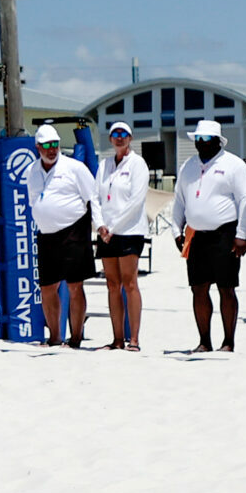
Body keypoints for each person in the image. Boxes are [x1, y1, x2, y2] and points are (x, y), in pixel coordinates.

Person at [173, 118, 246, 352]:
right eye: (197, 138)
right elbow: (179, 199)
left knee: (226, 288)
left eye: (206, 139)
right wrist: (176, 230)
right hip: (196, 234)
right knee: (198, 288)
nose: (201, 143)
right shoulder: (188, 165)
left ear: (218, 141)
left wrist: (242, 234)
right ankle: (204, 341)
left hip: (225, 233)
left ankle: (228, 341)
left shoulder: (234, 165)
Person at [27, 124, 102, 347]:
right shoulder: (32, 170)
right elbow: (33, 200)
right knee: (47, 288)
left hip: (74, 230)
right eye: (47, 146)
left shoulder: (75, 167)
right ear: (38, 147)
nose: (52, 149)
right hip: (46, 234)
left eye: (55, 145)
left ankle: (76, 337)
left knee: (74, 285)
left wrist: (99, 225)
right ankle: (55, 336)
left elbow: (93, 197)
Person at [96, 121, 150, 350]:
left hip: (129, 231)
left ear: (130, 138)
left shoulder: (138, 164)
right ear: (110, 139)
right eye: (115, 135)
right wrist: (100, 225)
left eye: (124, 135)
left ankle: (134, 339)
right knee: (112, 284)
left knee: (129, 283)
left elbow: (136, 201)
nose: (119, 138)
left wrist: (113, 227)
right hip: (106, 232)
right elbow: (95, 198)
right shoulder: (104, 164)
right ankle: (117, 338)